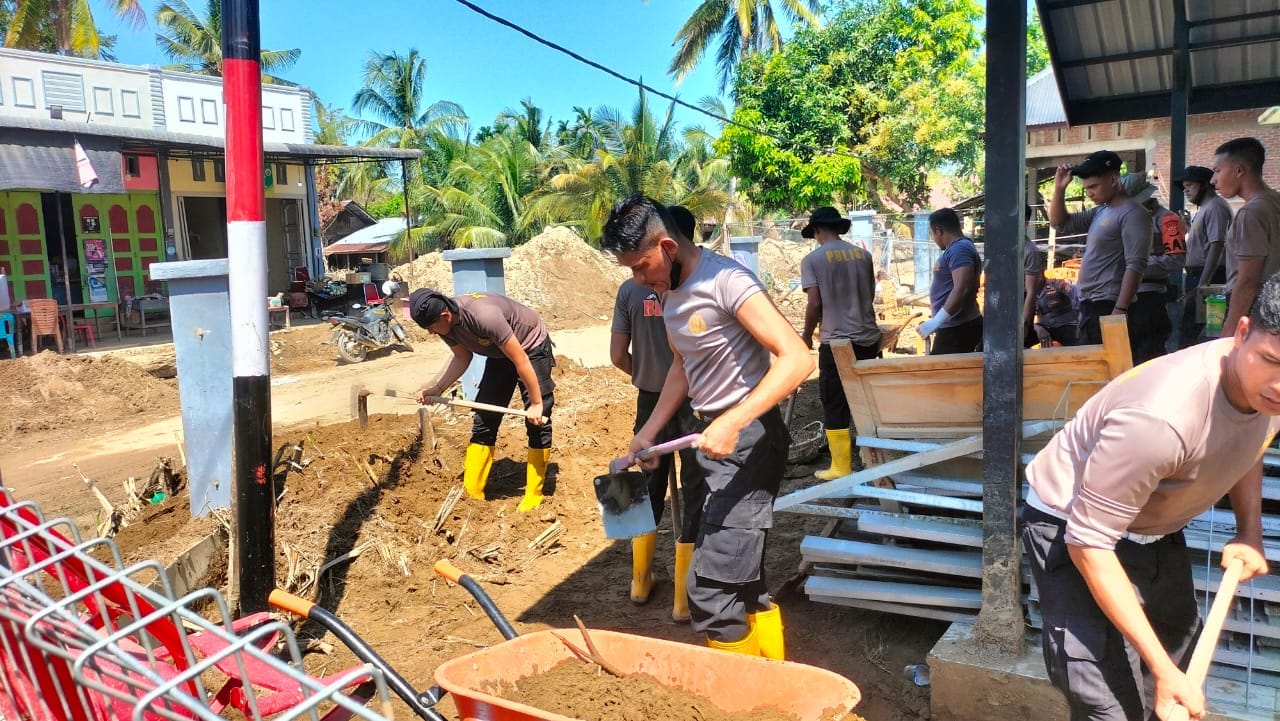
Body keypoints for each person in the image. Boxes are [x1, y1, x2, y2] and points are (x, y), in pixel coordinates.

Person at [1021, 273, 1280, 721]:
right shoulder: (1161, 418)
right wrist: (1162, 671)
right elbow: (1089, 543)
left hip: (1151, 524)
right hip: (1074, 527)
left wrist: (1249, 532)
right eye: (1271, 360)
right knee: (1108, 700)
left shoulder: (1263, 393)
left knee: (1175, 656)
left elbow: (1249, 439)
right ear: (1240, 333)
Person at [600, 194, 814, 659]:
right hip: (711, 438)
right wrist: (650, 432)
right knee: (746, 584)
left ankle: (745, 701)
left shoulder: (727, 281)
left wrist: (735, 419)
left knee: (711, 596)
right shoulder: (666, 292)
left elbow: (798, 358)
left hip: (751, 442)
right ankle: (773, 686)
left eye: (642, 266)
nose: (639, 280)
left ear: (668, 247)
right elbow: (683, 366)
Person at [610, 211, 708, 623]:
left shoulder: (628, 292)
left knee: (639, 489)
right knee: (696, 488)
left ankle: (639, 581)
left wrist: (646, 377)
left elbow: (617, 355)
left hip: (649, 400)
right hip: (695, 402)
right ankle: (684, 600)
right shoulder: (696, 286)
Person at [409, 288, 555, 512]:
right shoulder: (444, 325)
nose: (430, 332)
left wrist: (536, 404)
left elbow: (521, 360)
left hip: (529, 347)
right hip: (499, 352)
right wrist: (437, 388)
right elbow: (462, 356)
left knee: (537, 421)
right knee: (485, 419)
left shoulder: (483, 317)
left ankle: (534, 494)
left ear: (445, 315)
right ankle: (473, 491)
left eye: (430, 327)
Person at [799, 206, 881, 479]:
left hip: (836, 343)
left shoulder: (813, 260)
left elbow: (815, 304)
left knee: (834, 401)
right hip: (868, 338)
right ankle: (873, 456)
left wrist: (806, 334)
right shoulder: (864, 256)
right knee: (866, 400)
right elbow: (868, 294)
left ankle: (841, 466)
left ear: (818, 231)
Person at [1048, 150, 1153, 346]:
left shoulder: (1132, 214)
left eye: (1094, 186)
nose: (1089, 193)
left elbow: (1136, 265)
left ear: (1113, 180)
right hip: (1090, 304)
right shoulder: (1102, 211)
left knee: (1109, 372)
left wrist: (1120, 310)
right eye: (1087, 188)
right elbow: (1059, 223)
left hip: (1109, 304)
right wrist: (1059, 189)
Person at [1214, 137, 1280, 338]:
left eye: (1217, 171)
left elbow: (1247, 282)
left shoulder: (1251, 212)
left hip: (1256, 314)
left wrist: (1229, 336)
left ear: (1239, 171)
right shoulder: (1275, 201)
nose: (1213, 180)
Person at [1121, 172, 1185, 364]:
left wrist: (1135, 267)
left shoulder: (1168, 220)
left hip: (1150, 297)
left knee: (1149, 357)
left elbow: (1176, 260)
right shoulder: (1123, 218)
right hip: (1121, 297)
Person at [1174, 165, 1232, 348]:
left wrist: (1203, 284)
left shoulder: (1216, 206)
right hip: (1198, 275)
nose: (1186, 190)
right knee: (1191, 328)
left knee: (1199, 332)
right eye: (1184, 187)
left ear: (1205, 185)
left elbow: (1217, 245)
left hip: (1210, 277)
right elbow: (1205, 242)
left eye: (1190, 185)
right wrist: (1188, 228)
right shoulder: (1205, 208)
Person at [918, 208, 983, 354]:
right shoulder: (958, 248)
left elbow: (962, 288)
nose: (933, 239)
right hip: (954, 328)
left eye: (932, 234)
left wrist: (937, 321)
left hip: (957, 331)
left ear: (939, 231)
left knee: (942, 375)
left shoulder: (959, 249)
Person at [1032, 276, 1080, 347]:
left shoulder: (1057, 284)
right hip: (1044, 329)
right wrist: (1037, 327)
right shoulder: (1027, 293)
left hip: (1067, 327)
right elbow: (1024, 321)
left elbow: (1077, 295)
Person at [1023, 205, 1048, 347]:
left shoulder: (1030, 252)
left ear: (1026, 223)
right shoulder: (1000, 247)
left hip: (1020, 305)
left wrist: (1025, 325)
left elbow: (1031, 292)